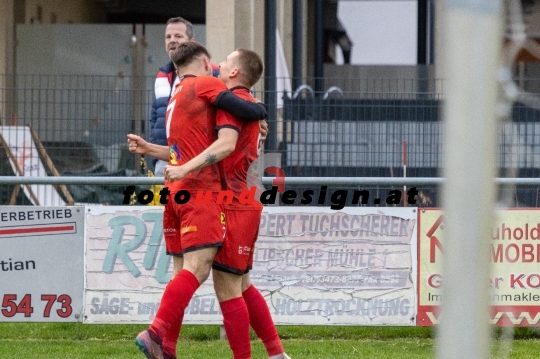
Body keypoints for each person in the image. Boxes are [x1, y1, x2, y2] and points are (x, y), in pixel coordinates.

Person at [129, 42, 270, 359]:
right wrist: (262, 111)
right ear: (206, 63)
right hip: (204, 193)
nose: (220, 65)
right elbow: (232, 135)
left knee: (185, 272)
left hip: (176, 196)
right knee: (207, 273)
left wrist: (149, 150)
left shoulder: (176, 95)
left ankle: (167, 348)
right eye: (217, 61)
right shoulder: (207, 84)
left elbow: (182, 151)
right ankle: (155, 333)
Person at [164, 49, 290, 359]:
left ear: (234, 73)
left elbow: (225, 145)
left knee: (228, 288)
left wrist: (182, 169)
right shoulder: (247, 104)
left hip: (235, 201)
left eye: (227, 62)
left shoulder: (231, 105)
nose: (219, 65)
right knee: (242, 283)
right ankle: (277, 354)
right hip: (245, 197)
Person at [150, 16, 219, 176]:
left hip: (200, 157)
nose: (172, 40)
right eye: (168, 37)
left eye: (178, 36)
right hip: (167, 158)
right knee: (166, 201)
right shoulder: (161, 75)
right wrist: (157, 147)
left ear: (192, 41)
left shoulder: (212, 72)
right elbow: (155, 116)